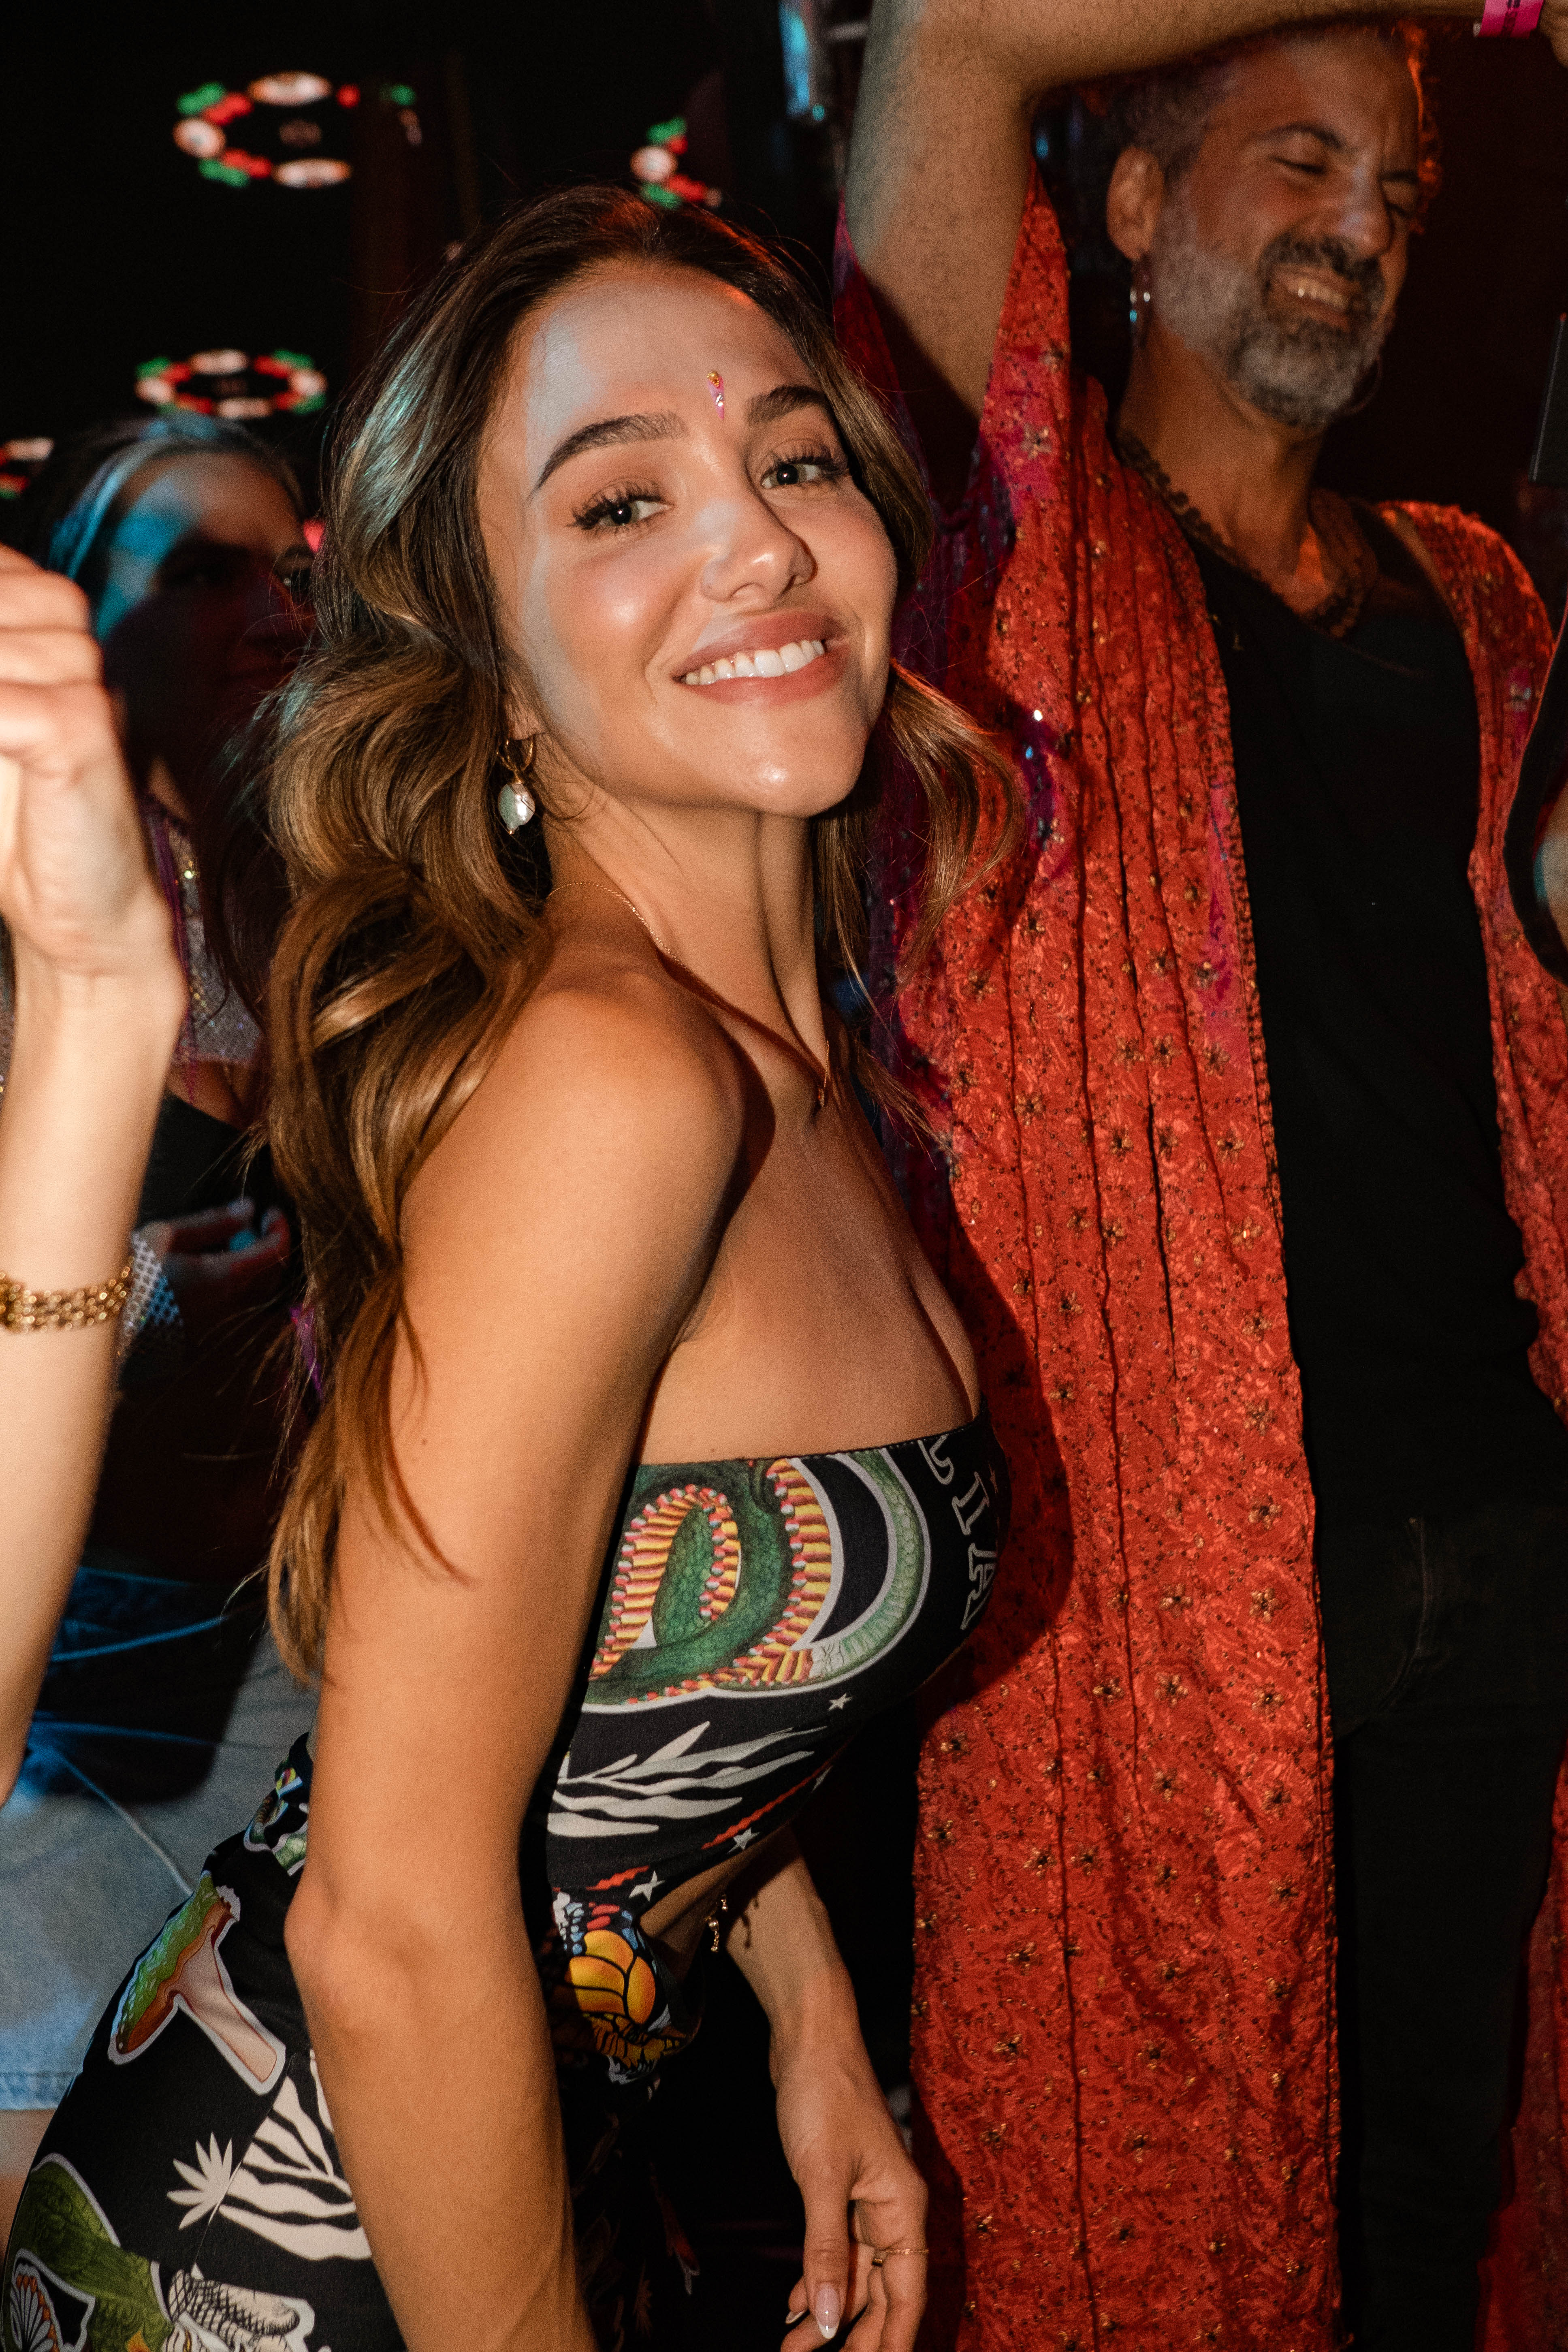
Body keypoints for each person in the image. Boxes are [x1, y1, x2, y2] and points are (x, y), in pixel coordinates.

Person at [3, 187, 1016, 2352]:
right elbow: (382, 1924)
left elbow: (641, 1653)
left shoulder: (776, 1056)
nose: (756, 540)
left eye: (795, 456)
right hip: (288, 2239)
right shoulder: (611, 1086)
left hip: (514, 2157)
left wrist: (812, 2011)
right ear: (485, 656)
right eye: (621, 498)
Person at [841, 2, 1568, 2346]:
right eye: (1301, 161)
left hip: (1498, 1523)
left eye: (1399, 190)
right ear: (1136, 208)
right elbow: (953, 39)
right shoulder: (994, 558)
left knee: (1436, 2204)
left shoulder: (1475, 601)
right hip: (1175, 1581)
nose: (1364, 226)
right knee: (1181, 2211)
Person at [0, 416, 318, 2232]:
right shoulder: (22, 943)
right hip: (74, 1720)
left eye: (294, 569)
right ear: (72, 615)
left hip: (325, 1685)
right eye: (204, 571)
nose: (275, 611)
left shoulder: (370, 918)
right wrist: (134, 1309)